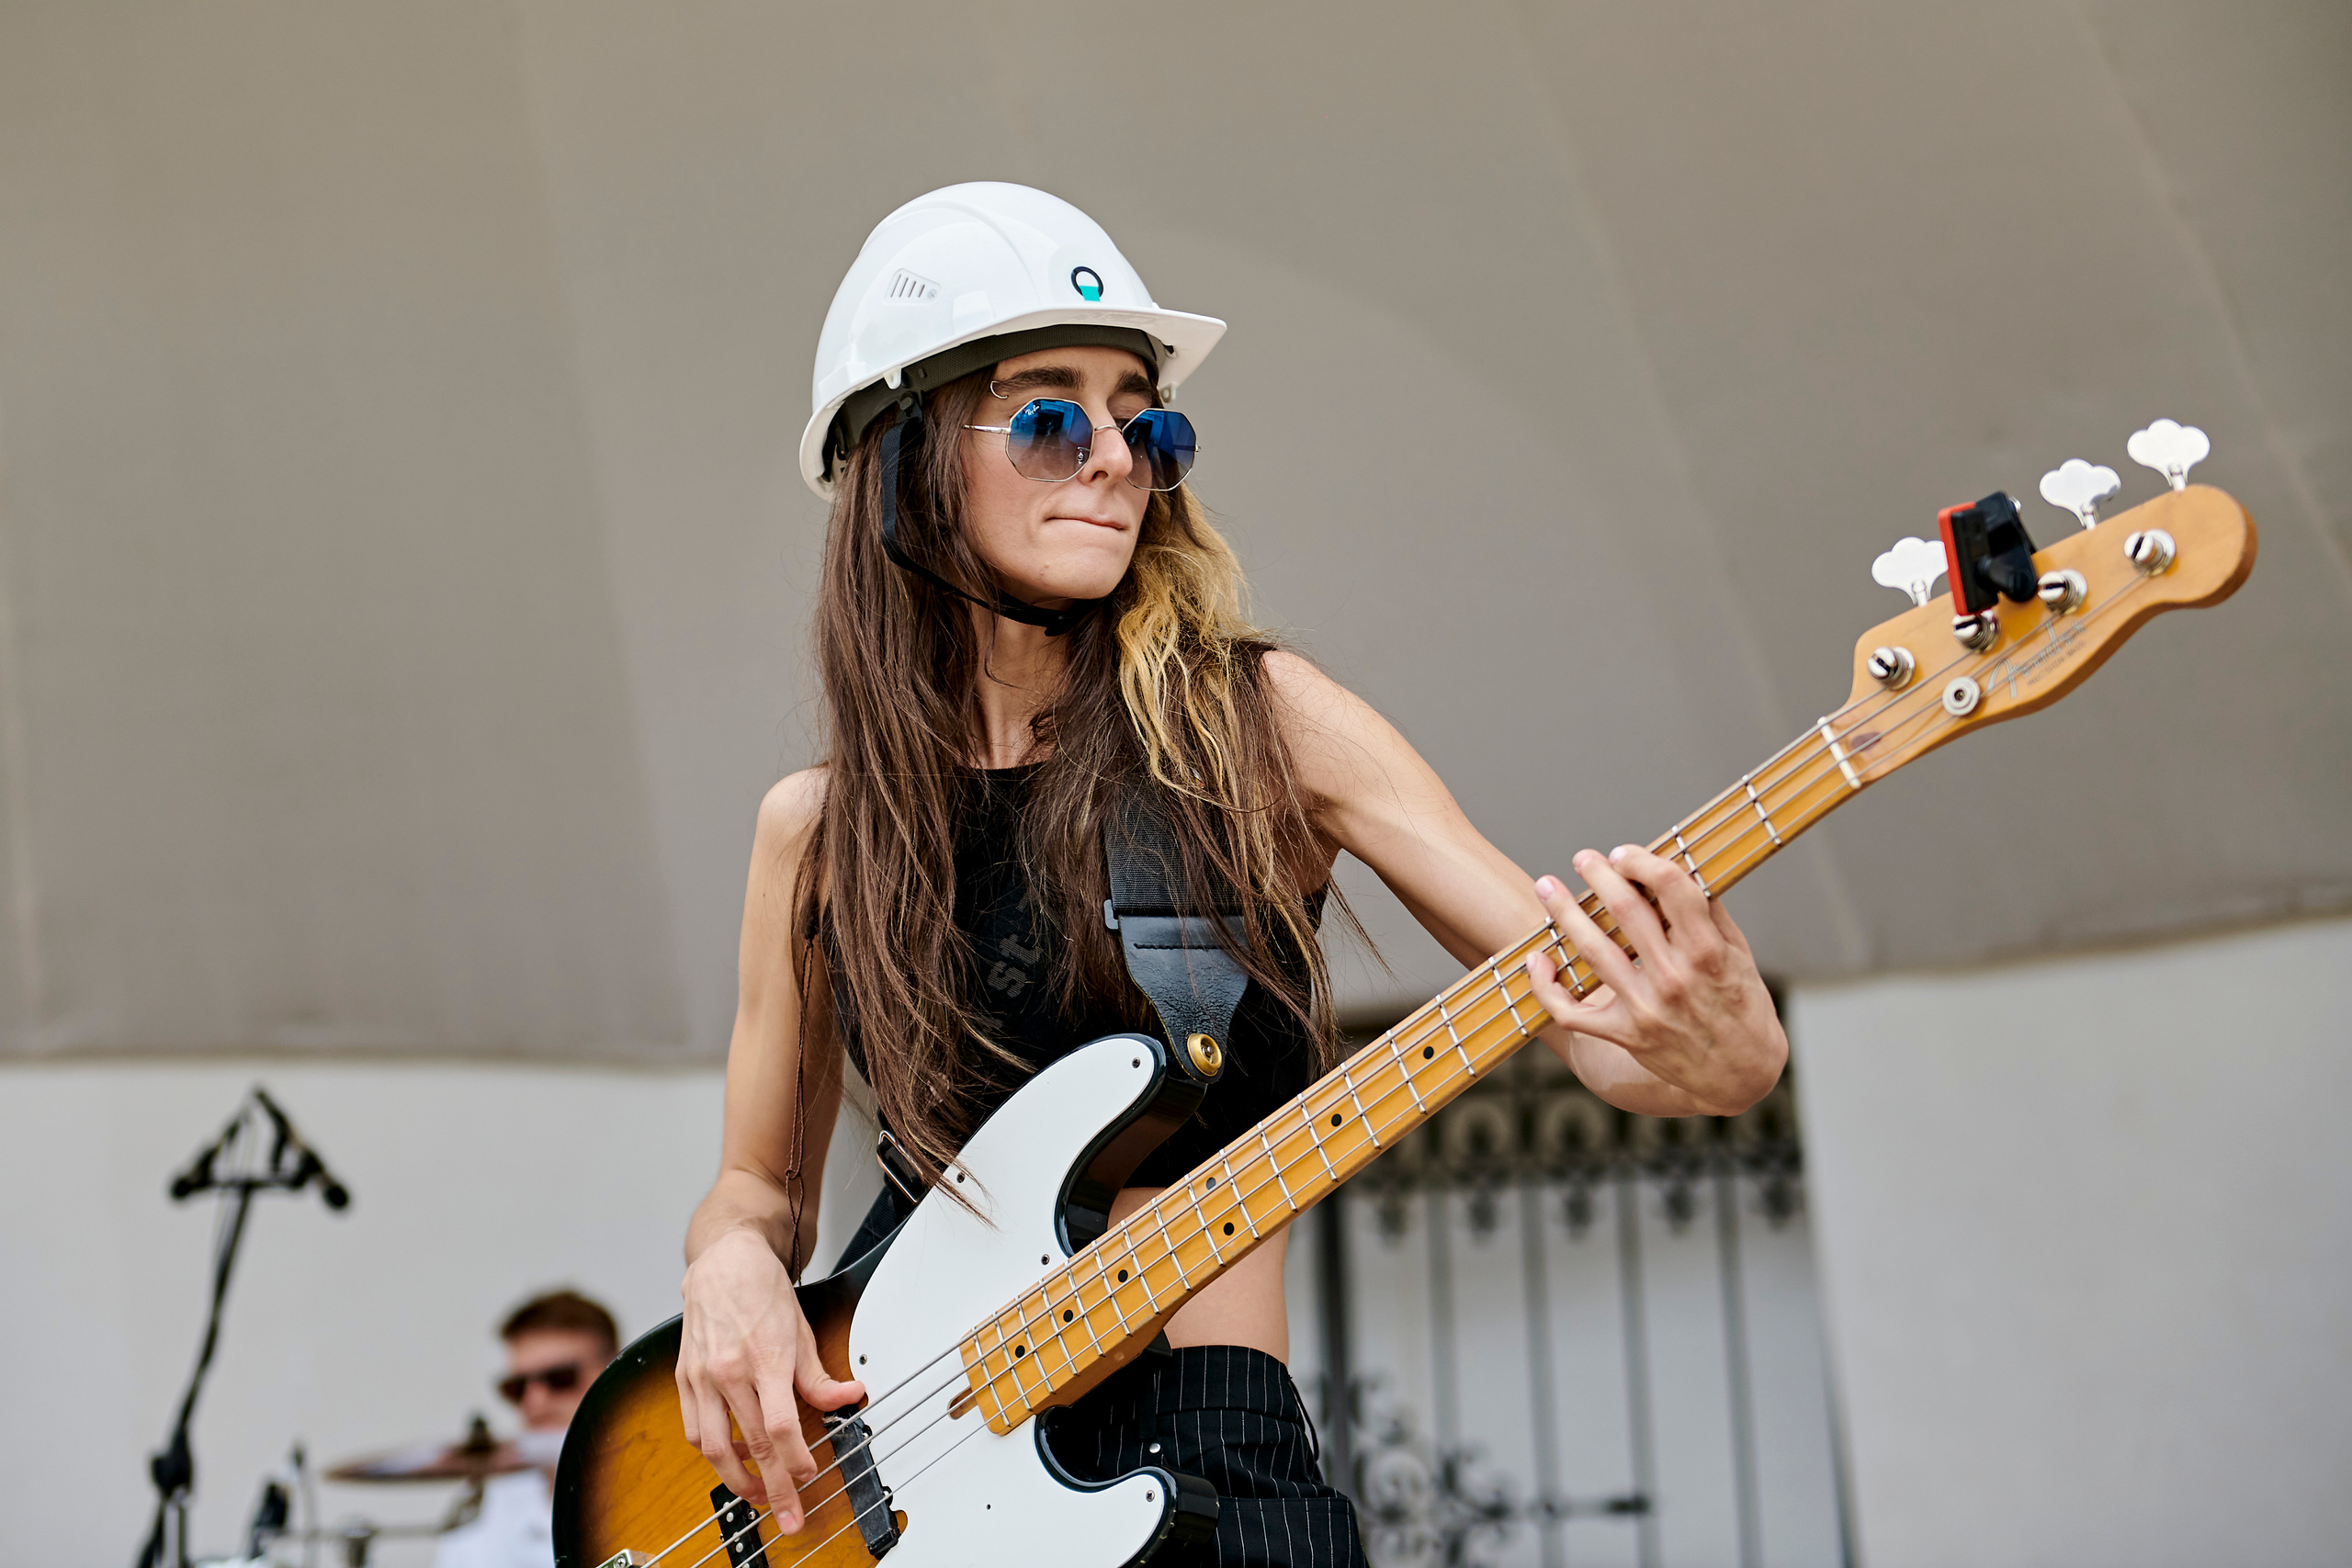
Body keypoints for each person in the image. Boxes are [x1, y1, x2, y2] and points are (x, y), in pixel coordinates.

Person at [676, 183, 1788, 1567]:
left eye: (1146, 424)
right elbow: (758, 1182)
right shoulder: (820, 831)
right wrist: (730, 1263)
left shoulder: (1259, 726)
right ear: (898, 460)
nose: (1113, 460)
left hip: (1219, 1459)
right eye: (1048, 418)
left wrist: (1727, 1047)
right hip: (916, 1484)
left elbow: (1591, 1017)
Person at [435, 1290, 618, 1568]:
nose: (535, 1402)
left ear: (614, 1371)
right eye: (517, 1387)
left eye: (560, 1378)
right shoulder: (482, 1513)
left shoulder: (672, 1481)